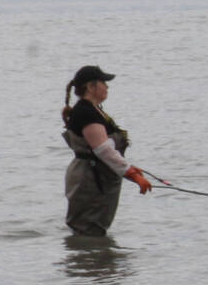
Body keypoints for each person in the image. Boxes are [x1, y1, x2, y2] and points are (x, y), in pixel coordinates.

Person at [60, 65, 152, 236]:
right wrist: (132, 174)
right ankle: (88, 261)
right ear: (90, 87)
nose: (107, 87)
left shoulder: (93, 110)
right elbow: (103, 150)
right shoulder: (85, 112)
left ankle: (87, 259)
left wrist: (129, 168)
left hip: (98, 177)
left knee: (92, 232)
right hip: (90, 180)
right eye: (103, 82)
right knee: (88, 229)